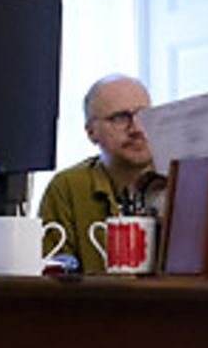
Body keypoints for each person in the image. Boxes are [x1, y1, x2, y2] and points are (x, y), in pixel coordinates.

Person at [37, 74, 159, 274]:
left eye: (144, 115)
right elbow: (51, 276)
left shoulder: (184, 178)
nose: (137, 128)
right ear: (91, 132)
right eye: (121, 118)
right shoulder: (68, 187)